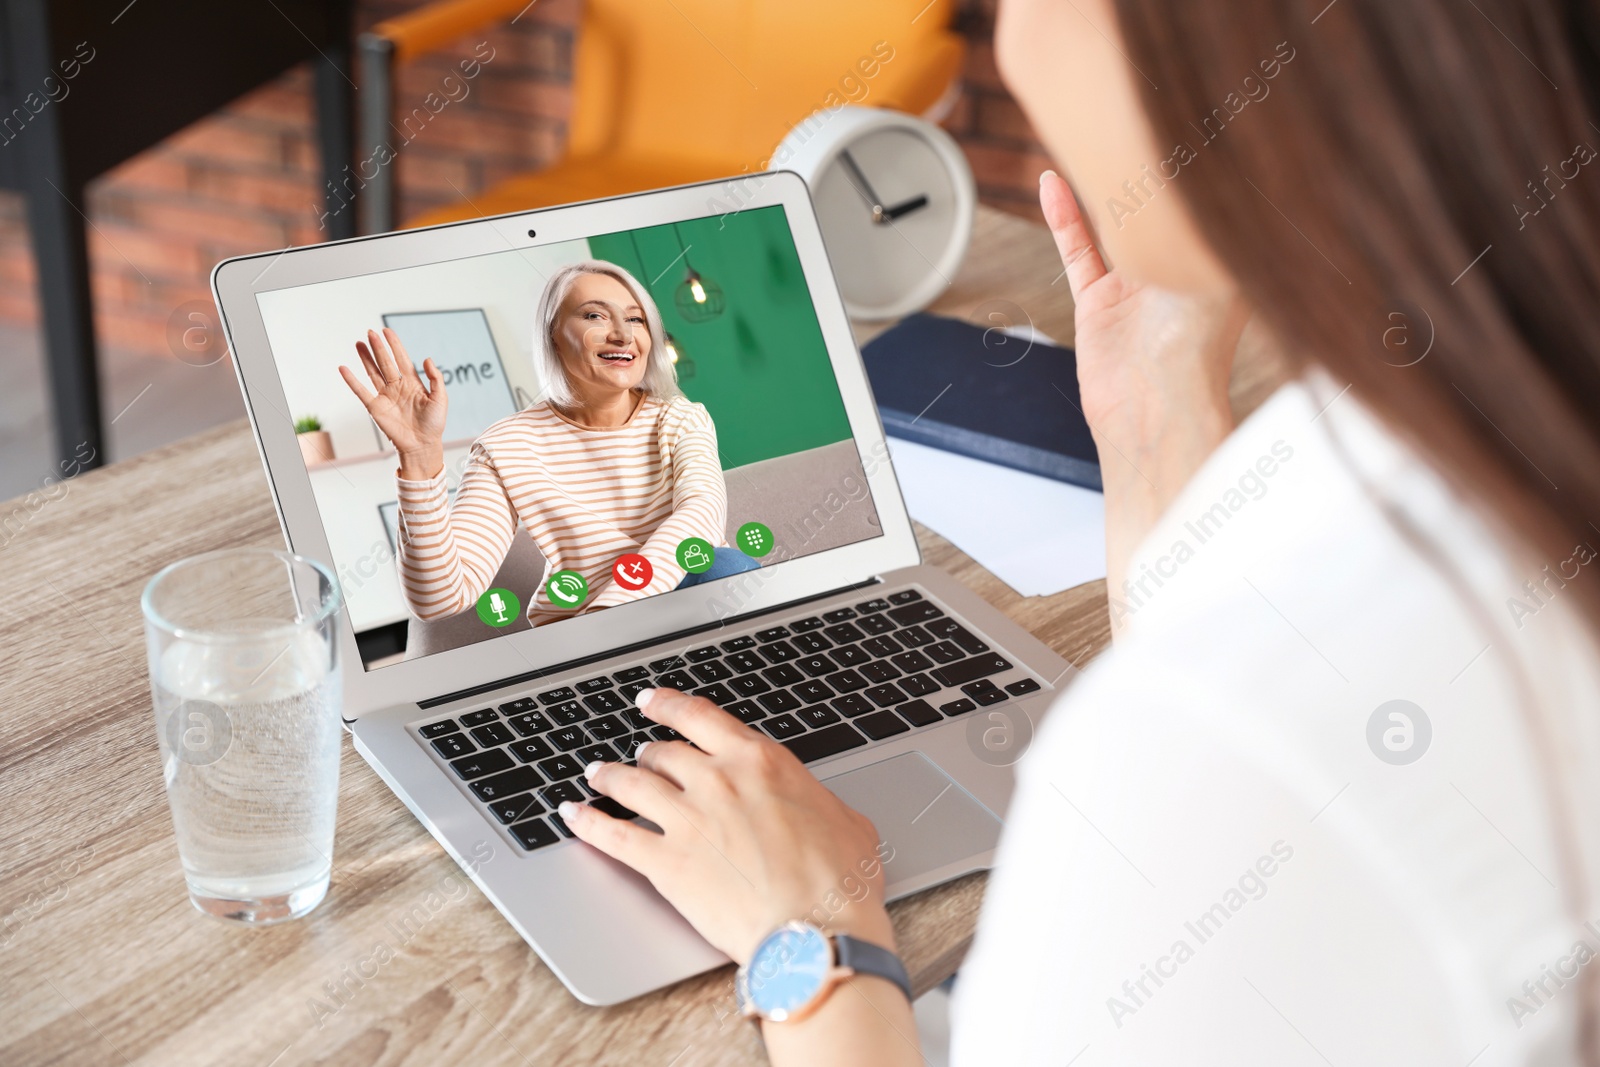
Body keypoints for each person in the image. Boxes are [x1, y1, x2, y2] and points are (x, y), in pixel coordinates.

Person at [543, 0, 1600, 1064]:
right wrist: (1153, 416)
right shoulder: (1493, 442)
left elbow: (1232, 738)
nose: (1010, 42)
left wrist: (808, 931)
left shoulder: (1230, 749)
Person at [338, 260, 759, 627]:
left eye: (635, 319)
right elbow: (441, 598)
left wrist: (611, 614)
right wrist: (419, 456)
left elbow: (699, 520)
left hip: (677, 606)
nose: (622, 335)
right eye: (595, 316)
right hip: (585, 642)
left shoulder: (682, 418)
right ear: (553, 336)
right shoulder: (506, 446)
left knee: (724, 567)